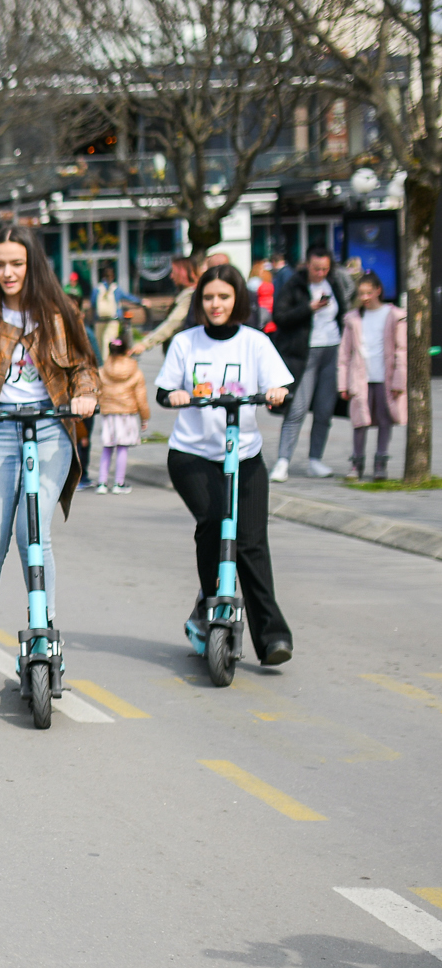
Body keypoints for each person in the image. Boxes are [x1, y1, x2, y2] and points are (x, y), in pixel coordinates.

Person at [0, 226, 97, 700]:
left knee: (33, 534)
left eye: (17, 263)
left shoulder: (60, 311)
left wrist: (87, 395)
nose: (8, 273)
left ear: (33, 263)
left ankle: (46, 637)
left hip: (50, 429)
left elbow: (85, 368)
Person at [157, 264, 293, 666]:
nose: (216, 305)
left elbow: (283, 384)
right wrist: (176, 396)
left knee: (250, 542)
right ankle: (211, 603)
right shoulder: (186, 343)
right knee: (215, 522)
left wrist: (276, 393)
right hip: (193, 455)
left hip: (244, 455)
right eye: (209, 297)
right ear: (200, 301)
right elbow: (165, 389)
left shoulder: (254, 343)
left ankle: (272, 638)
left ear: (237, 300)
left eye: (224, 297)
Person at [269, 245, 346, 480]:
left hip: (331, 349)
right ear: (307, 265)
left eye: (325, 269)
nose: (320, 273)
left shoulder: (333, 283)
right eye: (316, 268)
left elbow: (342, 312)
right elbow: (279, 317)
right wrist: (309, 308)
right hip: (304, 353)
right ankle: (282, 461)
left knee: (324, 409)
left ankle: (315, 460)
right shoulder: (294, 284)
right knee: (297, 408)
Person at [339, 273, 405, 480]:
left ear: (378, 290)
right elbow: (344, 354)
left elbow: (402, 350)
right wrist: (343, 384)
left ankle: (380, 463)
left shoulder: (393, 315)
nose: (365, 297)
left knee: (385, 420)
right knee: (360, 421)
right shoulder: (353, 319)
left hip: (385, 377)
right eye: (361, 293)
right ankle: (356, 464)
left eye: (369, 292)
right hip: (361, 377)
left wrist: (398, 380)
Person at [92, 334, 150, 493]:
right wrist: (144, 418)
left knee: (107, 447)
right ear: (127, 350)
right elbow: (141, 398)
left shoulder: (102, 371)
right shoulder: (135, 371)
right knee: (122, 448)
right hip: (127, 413)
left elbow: (96, 392)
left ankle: (102, 483)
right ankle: (119, 483)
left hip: (108, 413)